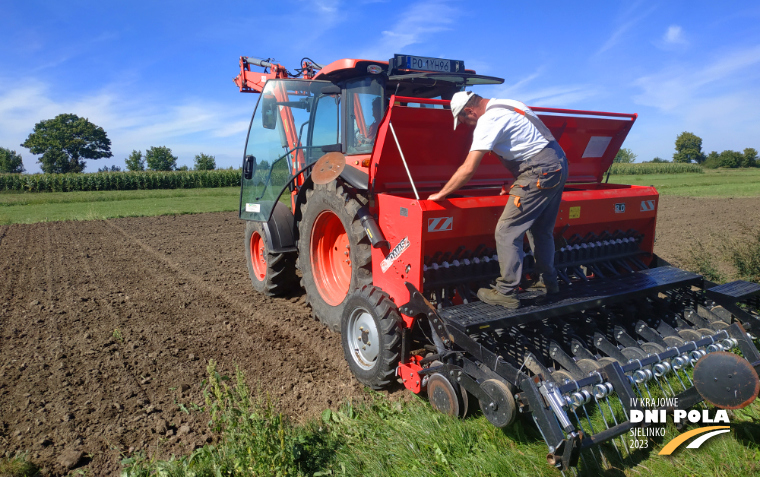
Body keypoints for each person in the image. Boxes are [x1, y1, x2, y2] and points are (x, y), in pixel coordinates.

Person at [427, 91, 569, 308]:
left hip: (539, 172)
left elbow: (468, 169)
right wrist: (520, 182)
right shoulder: (508, 103)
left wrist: (442, 193)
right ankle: (547, 283)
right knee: (541, 230)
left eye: (464, 121)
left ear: (469, 111)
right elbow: (527, 144)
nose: (467, 125)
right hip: (557, 166)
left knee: (506, 231)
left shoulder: (488, 120)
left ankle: (506, 291)